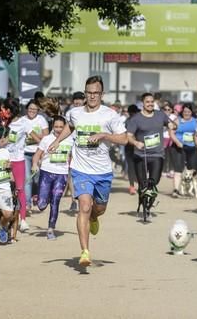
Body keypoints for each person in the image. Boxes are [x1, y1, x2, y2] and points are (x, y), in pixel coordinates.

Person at [48, 75, 127, 267]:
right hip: (80, 168)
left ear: (102, 94)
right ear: (85, 93)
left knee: (99, 208)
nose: (92, 97)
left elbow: (124, 139)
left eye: (96, 93)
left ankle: (94, 217)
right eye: (89, 93)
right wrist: (57, 141)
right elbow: (70, 126)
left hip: (102, 170)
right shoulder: (75, 112)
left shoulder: (110, 115)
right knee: (83, 206)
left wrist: (104, 135)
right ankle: (85, 251)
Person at [126, 93, 172, 217]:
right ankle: (142, 203)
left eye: (152, 101)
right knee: (143, 185)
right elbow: (129, 136)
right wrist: (136, 142)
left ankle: (148, 206)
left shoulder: (160, 115)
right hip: (141, 155)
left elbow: (171, 123)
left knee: (153, 183)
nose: (150, 104)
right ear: (143, 103)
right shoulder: (136, 118)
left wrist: (172, 125)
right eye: (147, 102)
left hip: (157, 155)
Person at [32, 115, 74, 239]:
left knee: (56, 201)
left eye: (61, 127)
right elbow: (36, 155)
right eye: (56, 126)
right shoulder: (46, 139)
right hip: (46, 173)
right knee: (41, 205)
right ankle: (42, 197)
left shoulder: (70, 140)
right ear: (52, 127)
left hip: (61, 175)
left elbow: (73, 156)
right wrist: (34, 164)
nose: (59, 129)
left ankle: (51, 229)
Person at [3, 98, 40, 232]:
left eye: (4, 109)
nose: (2, 111)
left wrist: (39, 153)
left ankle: (22, 220)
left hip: (18, 160)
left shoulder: (24, 123)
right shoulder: (4, 123)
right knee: (3, 189)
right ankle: (0, 219)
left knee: (20, 189)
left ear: (9, 110)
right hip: (3, 160)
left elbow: (38, 139)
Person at [169, 103, 197, 198]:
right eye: (185, 111)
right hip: (178, 147)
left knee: (192, 169)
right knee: (178, 169)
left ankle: (189, 189)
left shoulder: (196, 121)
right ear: (182, 112)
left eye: (188, 112)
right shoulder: (177, 121)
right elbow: (171, 132)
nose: (186, 113)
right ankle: (176, 190)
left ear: (192, 112)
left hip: (192, 147)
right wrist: (177, 142)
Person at [23, 99, 49, 211]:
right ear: (26, 109)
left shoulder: (41, 120)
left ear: (38, 110)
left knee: (37, 180)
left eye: (34, 109)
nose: (32, 111)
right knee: (27, 180)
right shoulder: (22, 121)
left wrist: (35, 137)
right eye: (30, 109)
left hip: (38, 153)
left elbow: (46, 137)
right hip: (25, 153)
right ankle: (27, 204)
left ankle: (36, 195)